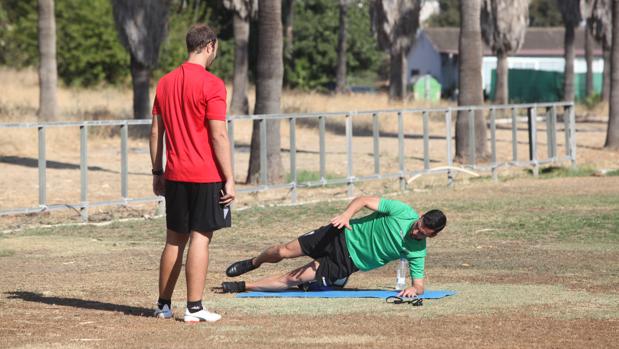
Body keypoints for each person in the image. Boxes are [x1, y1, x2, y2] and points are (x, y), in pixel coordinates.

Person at [150, 23, 235, 323]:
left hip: (173, 174)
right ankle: (194, 307)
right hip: (204, 175)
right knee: (201, 237)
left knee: (174, 239)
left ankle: (163, 305)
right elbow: (218, 136)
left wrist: (157, 171)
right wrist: (230, 177)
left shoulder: (165, 82)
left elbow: (155, 132)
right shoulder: (213, 85)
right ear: (210, 45)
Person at [221, 196, 446, 298]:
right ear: (420, 216)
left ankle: (241, 286)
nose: (415, 232)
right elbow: (364, 200)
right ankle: (253, 263)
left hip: (348, 262)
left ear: (432, 236)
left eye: (421, 234)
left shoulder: (418, 251)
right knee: (283, 251)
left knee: (294, 278)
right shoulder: (403, 211)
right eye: (418, 226)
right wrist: (347, 215)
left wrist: (413, 290)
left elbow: (419, 286)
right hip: (340, 234)